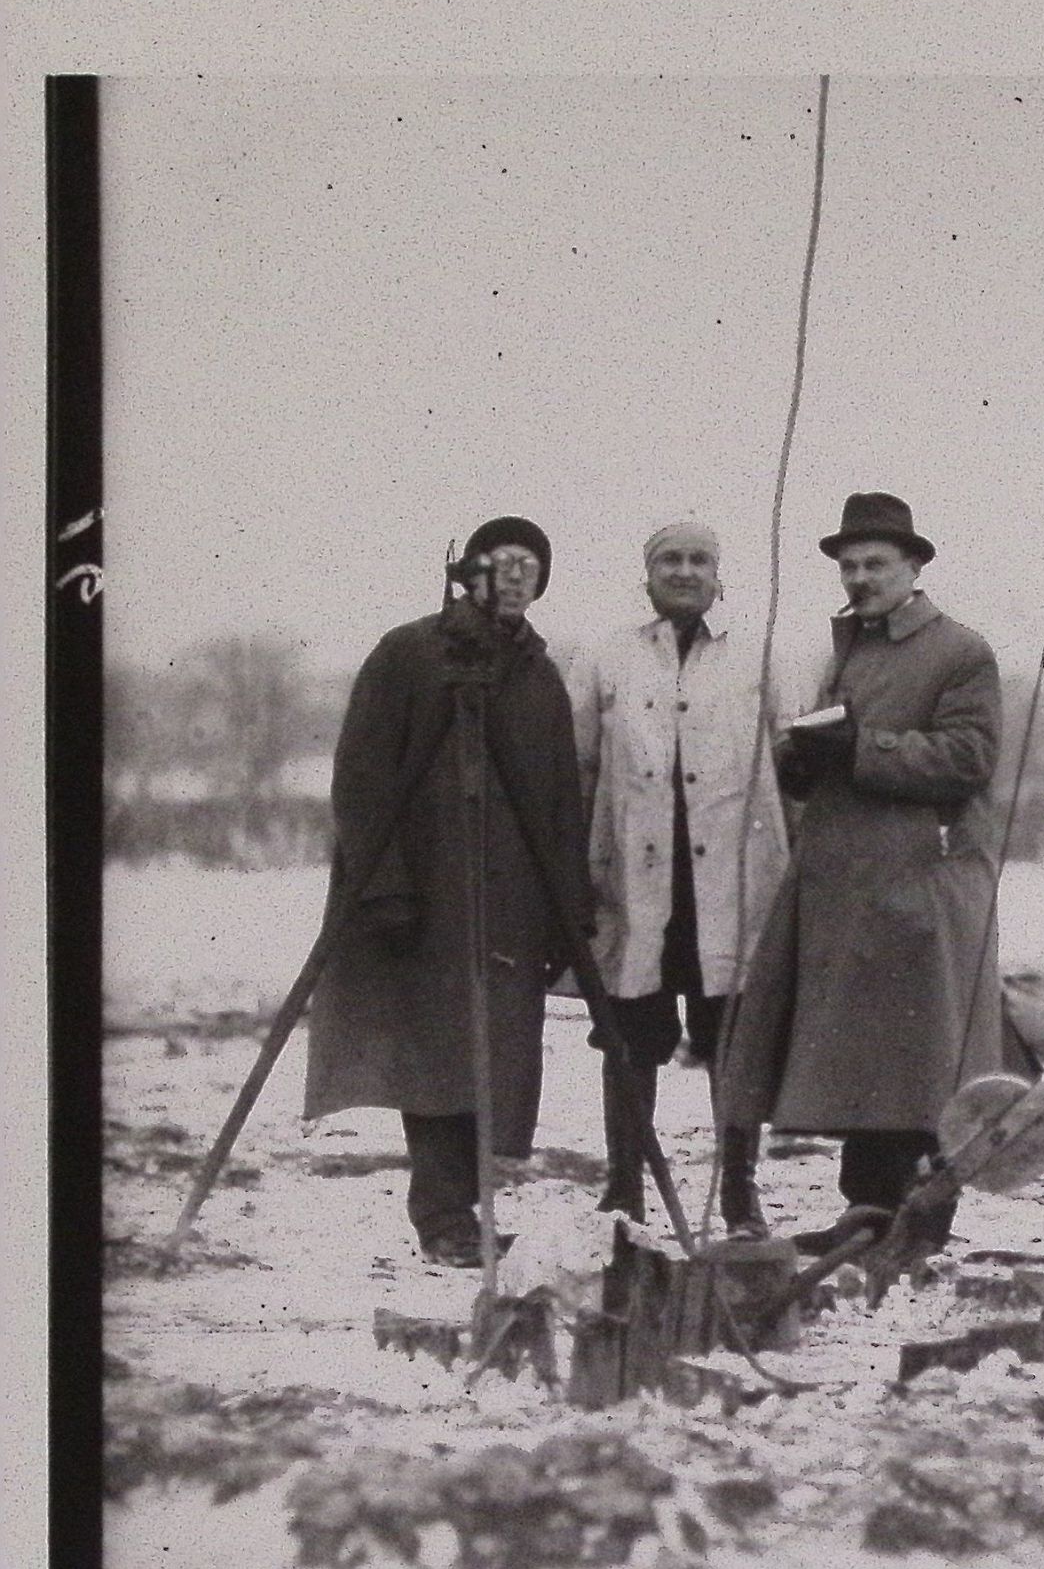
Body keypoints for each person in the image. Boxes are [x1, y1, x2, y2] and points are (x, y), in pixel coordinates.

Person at [719, 492, 1007, 1254]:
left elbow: (969, 758)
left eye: (875, 564)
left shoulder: (959, 651)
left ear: (913, 567)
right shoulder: (847, 649)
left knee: (922, 1062)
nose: (859, 578)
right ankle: (868, 1215)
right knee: (868, 1061)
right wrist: (799, 758)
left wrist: (859, 748)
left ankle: (917, 1224)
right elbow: (834, 757)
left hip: (921, 884)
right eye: (848, 566)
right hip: (850, 888)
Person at [303, 517, 592, 1266]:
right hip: (429, 894)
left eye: (531, 566)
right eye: (504, 562)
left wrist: (567, 911)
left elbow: (561, 800)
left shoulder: (540, 676)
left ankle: (463, 1212)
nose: (517, 577)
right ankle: (443, 1217)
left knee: (494, 1055)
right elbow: (362, 776)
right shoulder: (410, 653)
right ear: (470, 572)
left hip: (513, 903)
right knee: (434, 1055)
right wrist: (384, 888)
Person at [566, 520, 792, 1232]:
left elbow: (792, 761)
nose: (685, 571)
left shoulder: (757, 654)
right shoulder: (608, 657)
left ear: (719, 577)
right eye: (670, 559)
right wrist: (580, 869)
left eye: (699, 560)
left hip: (733, 882)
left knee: (733, 1039)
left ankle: (739, 1192)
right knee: (630, 1035)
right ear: (648, 575)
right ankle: (624, 1188)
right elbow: (578, 767)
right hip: (636, 883)